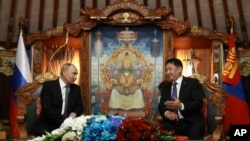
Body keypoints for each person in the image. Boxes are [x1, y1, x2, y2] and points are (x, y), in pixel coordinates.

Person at [158, 58, 205, 140]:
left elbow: (198, 103)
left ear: (179, 69)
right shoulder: (166, 87)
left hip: (191, 122)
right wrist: (167, 113)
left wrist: (181, 106)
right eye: (166, 70)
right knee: (159, 131)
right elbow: (161, 105)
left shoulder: (192, 83)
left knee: (196, 131)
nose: (167, 72)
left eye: (170, 69)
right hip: (173, 123)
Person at [30, 63, 83, 136]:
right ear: (64, 72)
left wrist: (74, 113)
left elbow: (79, 106)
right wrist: (64, 121)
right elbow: (47, 109)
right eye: (74, 74)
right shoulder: (49, 86)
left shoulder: (76, 89)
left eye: (76, 74)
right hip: (48, 123)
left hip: (69, 124)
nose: (75, 77)